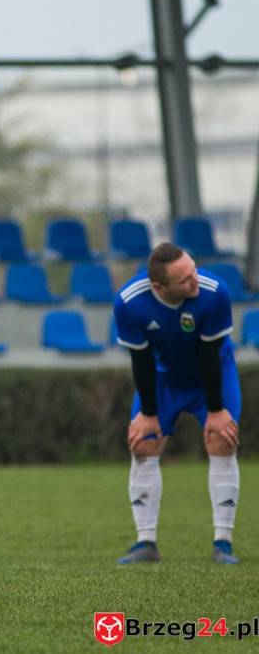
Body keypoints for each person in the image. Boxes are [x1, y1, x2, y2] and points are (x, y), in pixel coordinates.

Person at [113, 241, 241, 564]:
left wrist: (216, 410)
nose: (195, 280)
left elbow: (210, 356)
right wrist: (148, 414)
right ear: (159, 286)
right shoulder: (129, 303)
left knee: (220, 439)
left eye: (194, 270)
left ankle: (222, 544)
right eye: (185, 279)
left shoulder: (215, 293)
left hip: (213, 374)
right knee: (143, 442)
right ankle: (146, 543)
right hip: (163, 378)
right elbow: (140, 361)